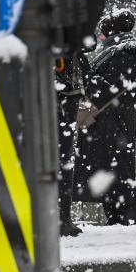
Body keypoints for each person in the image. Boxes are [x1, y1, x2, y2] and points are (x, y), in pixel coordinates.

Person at [74, 9, 136, 225]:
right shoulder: (116, 51)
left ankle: (133, 214)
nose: (100, 36)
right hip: (110, 120)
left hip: (113, 121)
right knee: (113, 167)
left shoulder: (124, 52)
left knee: (117, 167)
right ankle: (119, 214)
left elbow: (114, 88)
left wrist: (88, 76)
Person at [54, 54, 84, 237]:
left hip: (62, 98)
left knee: (62, 161)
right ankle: (62, 217)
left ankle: (61, 217)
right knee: (63, 161)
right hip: (65, 98)